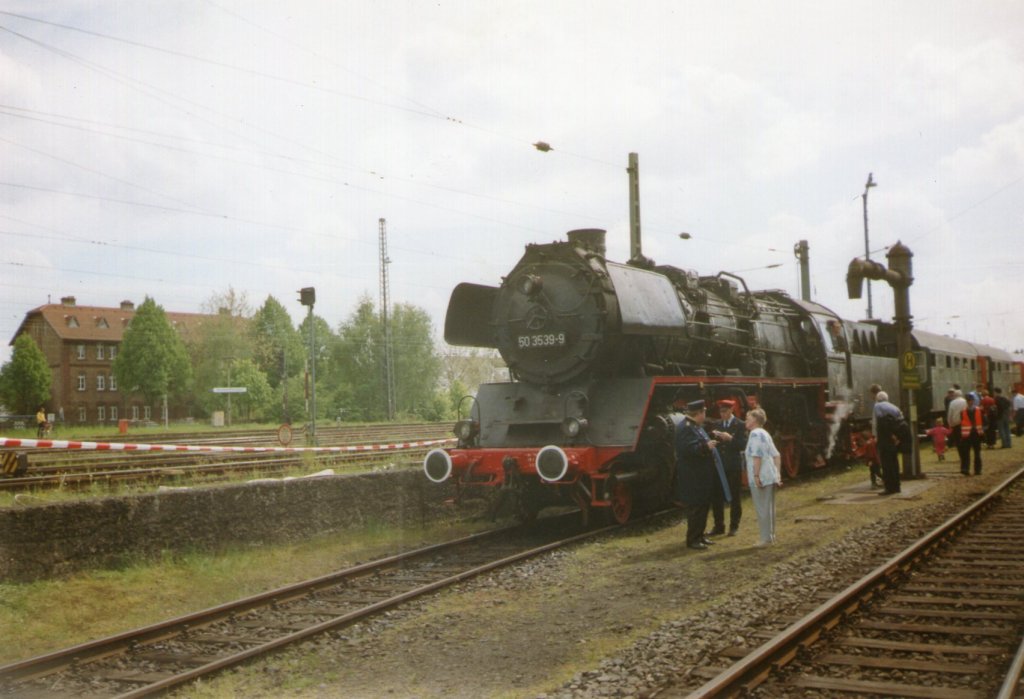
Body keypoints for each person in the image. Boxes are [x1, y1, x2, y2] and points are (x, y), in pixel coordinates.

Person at [674, 399, 722, 551]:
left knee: (703, 505)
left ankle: (700, 535)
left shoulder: (695, 426)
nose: (705, 415)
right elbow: (688, 449)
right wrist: (705, 446)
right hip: (693, 475)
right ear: (699, 413)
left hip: (701, 474)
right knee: (696, 507)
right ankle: (693, 539)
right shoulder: (686, 428)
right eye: (704, 412)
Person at [708, 399, 747, 536]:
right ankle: (719, 526)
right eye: (720, 411)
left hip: (732, 465)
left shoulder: (740, 425)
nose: (722, 414)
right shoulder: (716, 424)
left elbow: (743, 445)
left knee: (735, 496)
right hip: (719, 466)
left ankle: (734, 526)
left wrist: (731, 439)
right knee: (716, 496)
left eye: (725, 411)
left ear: (731, 410)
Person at [744, 408, 781, 546]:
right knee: (769, 508)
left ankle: (765, 539)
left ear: (754, 420)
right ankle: (770, 536)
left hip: (761, 477)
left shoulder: (754, 434)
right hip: (769, 476)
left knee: (762, 509)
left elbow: (756, 456)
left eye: (748, 418)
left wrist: (756, 475)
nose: (746, 421)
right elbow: (777, 455)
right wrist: (777, 474)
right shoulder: (765, 433)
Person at [873, 391, 906, 495]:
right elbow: (901, 421)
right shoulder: (895, 407)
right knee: (894, 463)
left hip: (884, 438)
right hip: (894, 439)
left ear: (878, 399)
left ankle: (889, 488)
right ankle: (897, 486)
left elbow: (877, 422)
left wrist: (875, 437)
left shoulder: (877, 406)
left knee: (886, 464)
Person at [958, 396, 985, 475]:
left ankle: (977, 470)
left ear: (973, 401)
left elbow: (984, 421)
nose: (970, 402)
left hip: (976, 434)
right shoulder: (963, 411)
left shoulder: (979, 410)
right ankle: (966, 469)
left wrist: (983, 430)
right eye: (968, 400)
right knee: (966, 453)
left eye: (971, 400)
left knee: (977, 453)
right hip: (967, 435)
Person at [947, 389, 967, 457]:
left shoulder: (952, 403)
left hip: (956, 424)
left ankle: (961, 455)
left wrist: (950, 424)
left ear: (955, 395)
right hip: (965, 424)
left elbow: (950, 414)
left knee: (958, 441)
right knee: (965, 440)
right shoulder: (965, 401)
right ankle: (966, 454)